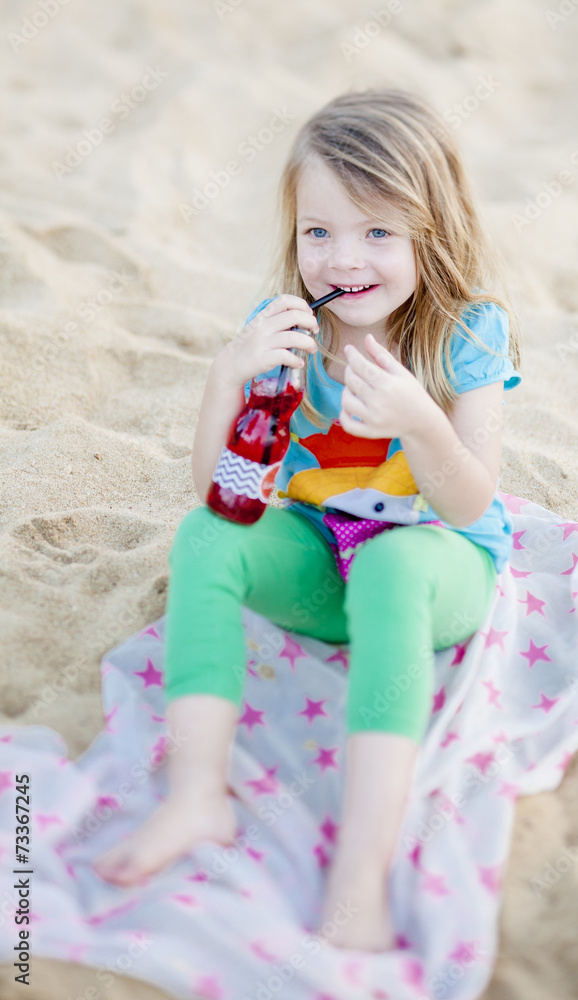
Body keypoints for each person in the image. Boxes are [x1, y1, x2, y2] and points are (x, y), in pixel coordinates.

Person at [94, 86, 522, 952]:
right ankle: (195, 796)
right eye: (317, 232)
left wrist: (418, 421)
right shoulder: (283, 332)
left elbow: (474, 500)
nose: (341, 259)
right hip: (325, 560)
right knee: (205, 536)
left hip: (432, 566)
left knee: (398, 566)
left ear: (427, 235)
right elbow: (228, 494)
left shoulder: (464, 333)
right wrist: (227, 379)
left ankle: (360, 875)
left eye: (376, 233)